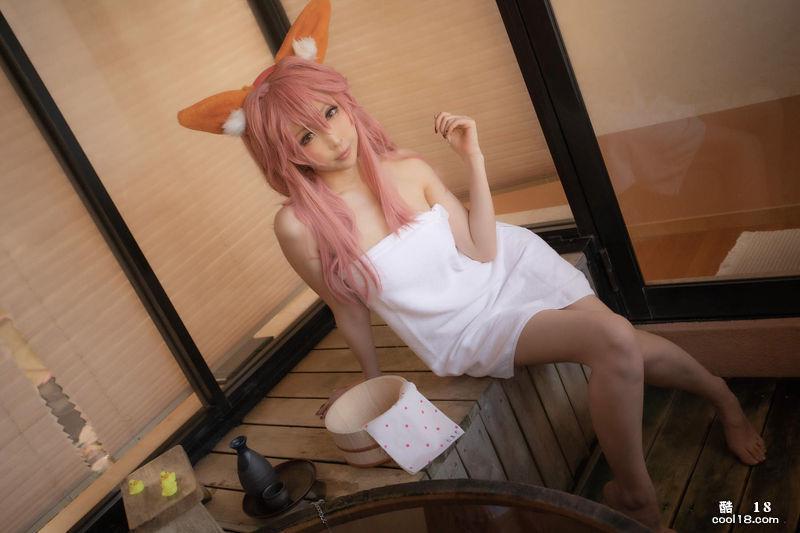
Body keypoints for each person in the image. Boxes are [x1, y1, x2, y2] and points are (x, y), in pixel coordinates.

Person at [176, 3, 766, 531]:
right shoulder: (299, 225)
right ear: (284, 152)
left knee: (619, 340)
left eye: (331, 112)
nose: (333, 139)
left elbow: (483, 250)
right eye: (306, 135)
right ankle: (645, 490)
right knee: (615, 338)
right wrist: (371, 383)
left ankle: (714, 408)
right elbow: (345, 307)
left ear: (346, 104)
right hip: (463, 328)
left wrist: (474, 159)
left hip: (507, 264)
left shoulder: (406, 168)